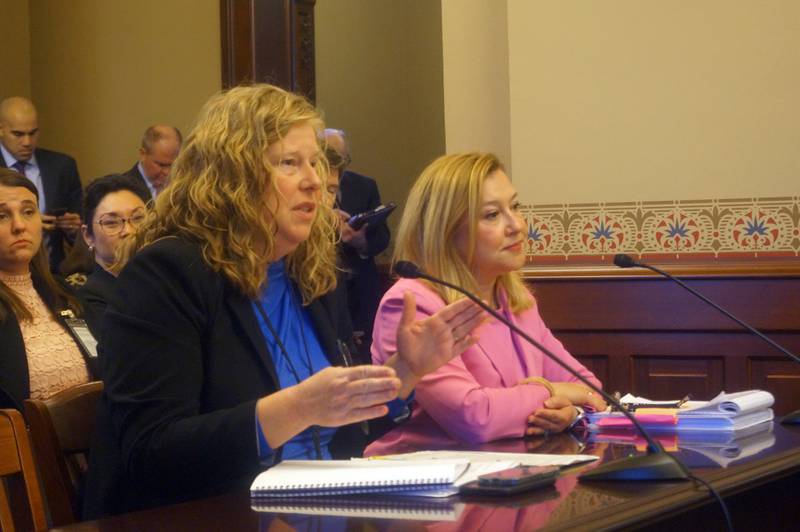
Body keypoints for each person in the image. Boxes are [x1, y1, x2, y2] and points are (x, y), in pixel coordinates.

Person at [83, 84, 484, 517]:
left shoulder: (308, 270)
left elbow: (343, 437)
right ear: (232, 177)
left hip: (322, 512)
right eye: (289, 163)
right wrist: (296, 408)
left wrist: (406, 371)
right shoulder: (168, 274)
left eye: (315, 163)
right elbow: (150, 453)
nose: (314, 181)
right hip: (209, 518)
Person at [366, 153, 606, 456]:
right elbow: (476, 419)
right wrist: (551, 391)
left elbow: (591, 389)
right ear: (447, 229)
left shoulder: (517, 301)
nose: (516, 225)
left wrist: (572, 414)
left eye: (515, 207)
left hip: (516, 479)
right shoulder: (412, 302)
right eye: (492, 215)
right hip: (433, 491)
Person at [0, 169, 95, 411]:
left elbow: (100, 363)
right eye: (2, 216)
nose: (20, 226)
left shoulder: (62, 291)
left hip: (89, 441)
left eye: (28, 211)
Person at [323, 128, 390, 362]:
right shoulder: (310, 189)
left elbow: (382, 238)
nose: (337, 166)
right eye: (330, 157)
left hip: (361, 290)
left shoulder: (365, 186)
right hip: (325, 283)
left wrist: (360, 242)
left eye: (342, 159)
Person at [0, 97, 82, 272]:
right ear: (1, 129)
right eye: (18, 134)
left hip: (53, 273)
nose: (27, 142)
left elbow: (83, 234)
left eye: (33, 133)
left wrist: (74, 230)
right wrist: (31, 221)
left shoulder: (62, 167)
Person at [78, 174, 150, 337]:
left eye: (138, 218)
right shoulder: (90, 299)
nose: (129, 231)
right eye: (111, 223)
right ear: (88, 236)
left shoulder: (166, 282)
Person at [121, 124, 182, 200]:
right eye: (161, 165)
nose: (167, 172)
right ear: (142, 154)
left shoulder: (182, 189)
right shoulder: (121, 190)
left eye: (172, 165)